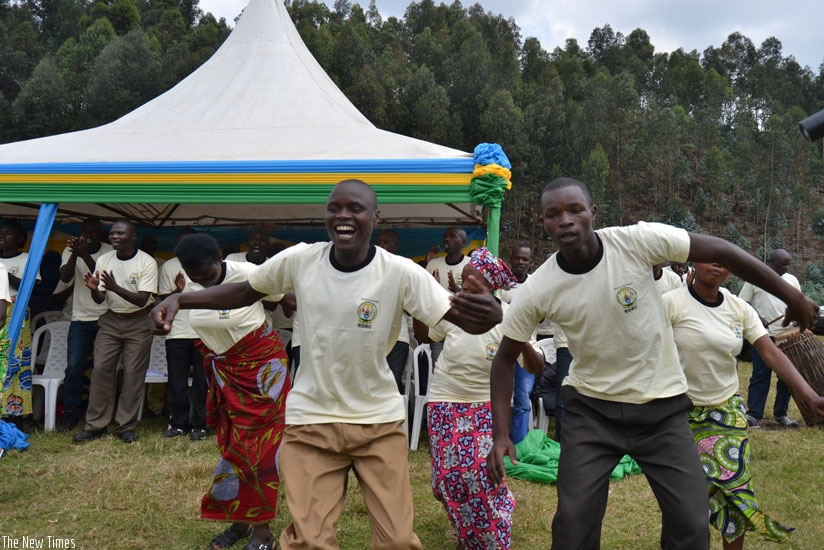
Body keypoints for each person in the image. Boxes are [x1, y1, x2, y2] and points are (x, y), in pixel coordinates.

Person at [151, 179, 502, 550]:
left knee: (398, 541)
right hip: (312, 421)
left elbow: (456, 315)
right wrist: (179, 300)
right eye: (335, 207)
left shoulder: (401, 272)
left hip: (377, 422)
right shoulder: (301, 259)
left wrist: (491, 314)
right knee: (310, 542)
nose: (344, 215)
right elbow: (245, 290)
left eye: (356, 208)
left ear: (376, 217)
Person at [487, 177, 818, 550]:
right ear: (544, 222)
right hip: (592, 413)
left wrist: (792, 295)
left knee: (691, 523)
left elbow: (722, 250)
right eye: (553, 214)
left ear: (593, 213)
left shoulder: (635, 241)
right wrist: (501, 435)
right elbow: (504, 360)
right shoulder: (539, 287)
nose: (565, 220)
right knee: (573, 522)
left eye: (575, 209)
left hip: (661, 410)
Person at [663, 262, 824, 548]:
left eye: (723, 261)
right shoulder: (671, 303)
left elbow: (770, 352)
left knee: (736, 497)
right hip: (678, 415)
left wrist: (810, 396)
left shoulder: (738, 307)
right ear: (694, 262)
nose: (717, 265)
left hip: (725, 413)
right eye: (709, 258)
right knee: (685, 503)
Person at [174, 233, 291, 550]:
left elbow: (290, 302)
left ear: (219, 259)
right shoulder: (188, 290)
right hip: (226, 375)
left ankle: (262, 532)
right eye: (196, 279)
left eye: (209, 276)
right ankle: (243, 519)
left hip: (264, 374)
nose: (205, 285)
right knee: (234, 447)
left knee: (257, 451)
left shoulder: (249, 276)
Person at [422, 248, 542, 549]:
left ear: (489, 285)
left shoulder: (510, 314)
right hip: (444, 399)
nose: (464, 285)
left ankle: (493, 531)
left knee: (481, 475)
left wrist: (515, 330)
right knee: (447, 480)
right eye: (462, 280)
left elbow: (537, 365)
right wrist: (426, 297)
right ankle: (468, 531)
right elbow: (425, 335)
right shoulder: (454, 309)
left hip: (487, 405)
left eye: (470, 281)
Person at [73, 220, 158, 444]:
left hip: (139, 320)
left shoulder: (146, 262)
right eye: (112, 233)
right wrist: (94, 289)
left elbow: (142, 300)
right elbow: (100, 298)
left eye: (121, 233)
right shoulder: (104, 259)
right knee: (101, 369)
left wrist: (114, 287)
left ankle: (125, 426)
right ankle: (95, 425)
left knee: (133, 373)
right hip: (111, 319)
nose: (115, 236)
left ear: (133, 237)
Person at [56, 218, 113, 432]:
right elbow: (65, 277)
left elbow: (101, 277)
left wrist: (85, 255)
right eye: (85, 231)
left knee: (103, 368)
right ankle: (71, 414)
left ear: (101, 233)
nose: (89, 234)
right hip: (80, 318)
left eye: (94, 231)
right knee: (74, 368)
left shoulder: (109, 251)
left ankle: (102, 414)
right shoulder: (70, 250)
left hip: (106, 316)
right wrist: (74, 254)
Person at [739, 248, 802, 428]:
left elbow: (797, 302)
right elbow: (743, 302)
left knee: (786, 378)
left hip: (786, 337)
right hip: (762, 336)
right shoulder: (756, 278)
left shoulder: (792, 280)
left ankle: (781, 414)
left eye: (789, 264)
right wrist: (758, 318)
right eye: (784, 264)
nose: (788, 268)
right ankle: (754, 415)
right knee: (760, 375)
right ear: (772, 262)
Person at [158, 227, 207, 441]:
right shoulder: (169, 266)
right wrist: (178, 291)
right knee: (176, 380)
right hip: (177, 331)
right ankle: (178, 422)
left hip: (203, 331)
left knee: (201, 381)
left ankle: (199, 424)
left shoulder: (207, 263)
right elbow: (161, 301)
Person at [0, 220, 39, 423]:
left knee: (17, 362)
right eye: (1, 233)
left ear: (19, 239)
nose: (2, 236)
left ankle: (16, 414)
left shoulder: (27, 259)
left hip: (17, 312)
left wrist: (4, 274)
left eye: (7, 233)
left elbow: (31, 287)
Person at [498, 244, 536, 444]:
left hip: (526, 350)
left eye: (525, 259)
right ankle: (496, 441)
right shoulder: (501, 287)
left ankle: (519, 444)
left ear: (531, 263)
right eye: (517, 258)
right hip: (501, 350)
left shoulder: (536, 285)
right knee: (497, 398)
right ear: (510, 260)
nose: (520, 262)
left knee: (522, 400)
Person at [374, 229, 411, 393]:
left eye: (385, 242)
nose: (380, 245)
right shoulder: (367, 267)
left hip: (397, 338)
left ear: (395, 246)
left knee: (391, 385)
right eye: (378, 241)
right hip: (370, 335)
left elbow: (411, 306)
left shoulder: (405, 268)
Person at [426, 226, 470, 293]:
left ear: (463, 242)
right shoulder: (433, 264)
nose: (446, 239)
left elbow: (477, 295)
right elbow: (424, 292)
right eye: (445, 237)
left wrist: (458, 291)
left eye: (452, 236)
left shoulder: (471, 264)